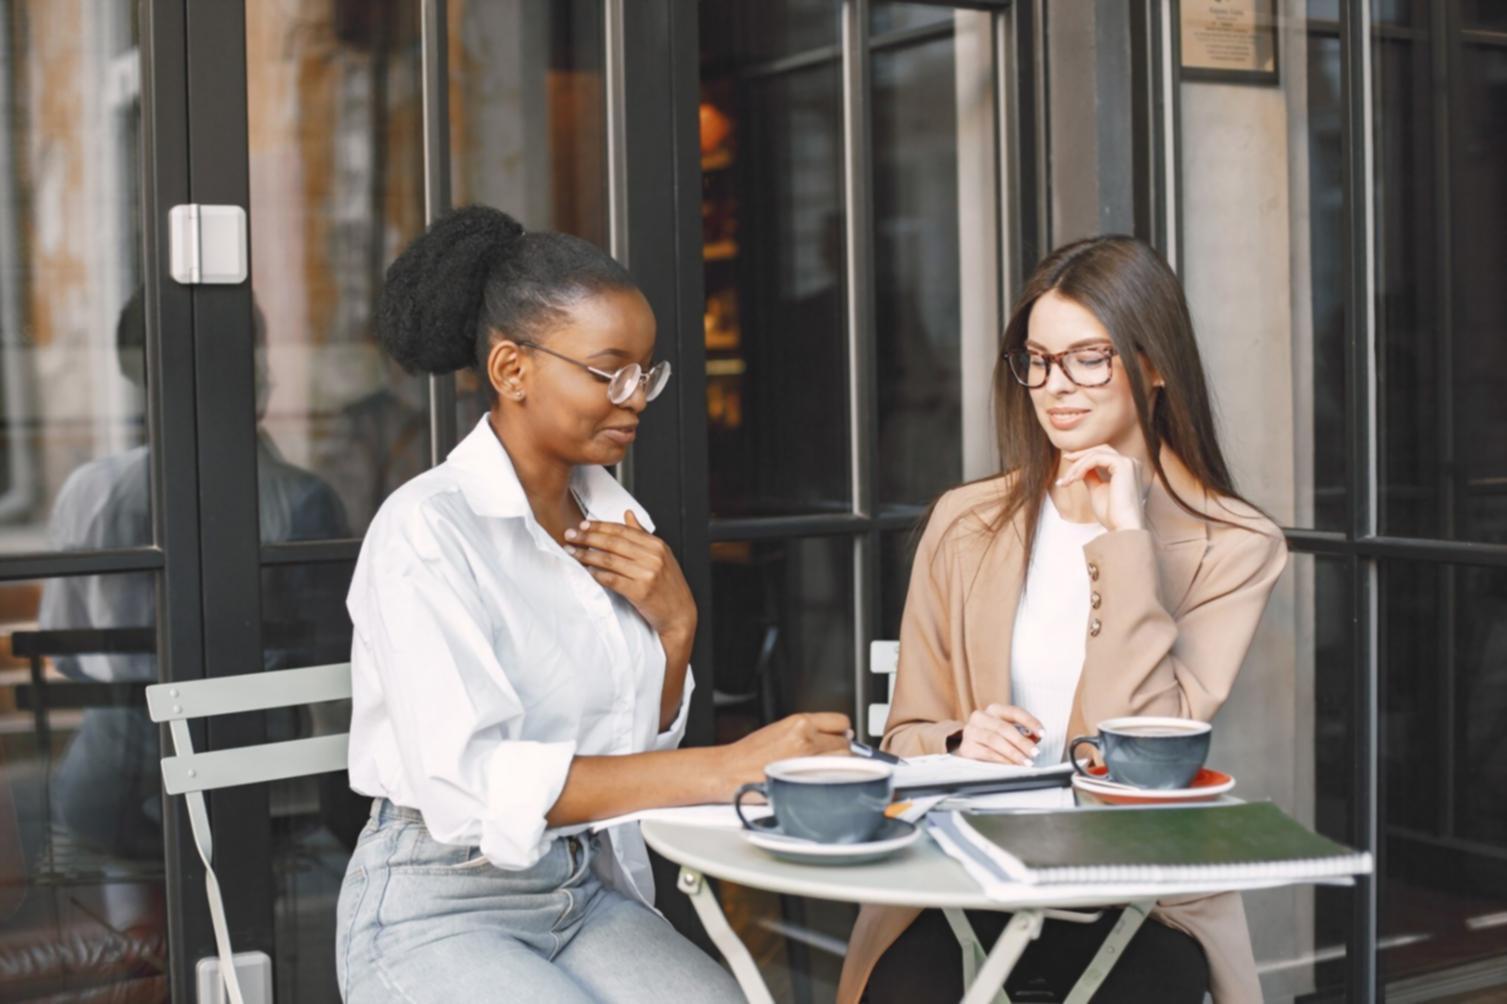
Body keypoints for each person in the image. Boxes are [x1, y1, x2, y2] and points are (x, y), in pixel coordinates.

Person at [336, 205, 851, 1003]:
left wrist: (677, 628)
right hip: (437, 901)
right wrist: (723, 768)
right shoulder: (426, 531)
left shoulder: (613, 524)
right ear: (512, 371)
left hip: (581, 888)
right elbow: (471, 782)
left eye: (646, 371)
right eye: (609, 371)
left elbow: (625, 743)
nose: (637, 396)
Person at [841, 235, 1288, 1004]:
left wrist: (1124, 539)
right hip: (965, 878)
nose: (1055, 386)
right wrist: (960, 737)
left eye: (1089, 356)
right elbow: (906, 736)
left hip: (1137, 891)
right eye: (1038, 360)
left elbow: (1141, 755)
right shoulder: (966, 520)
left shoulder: (1235, 544)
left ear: (1152, 364)